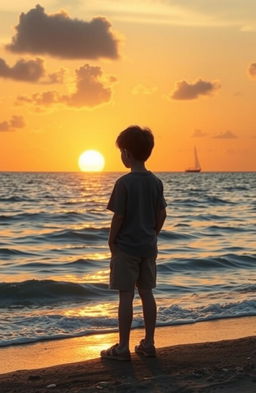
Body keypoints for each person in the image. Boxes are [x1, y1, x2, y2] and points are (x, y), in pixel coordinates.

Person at [101, 125, 167, 361]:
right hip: (148, 247)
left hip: (126, 248)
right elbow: (162, 214)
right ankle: (149, 343)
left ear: (126, 153)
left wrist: (112, 241)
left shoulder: (124, 183)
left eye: (121, 152)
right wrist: (153, 234)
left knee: (126, 295)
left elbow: (118, 216)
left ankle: (122, 347)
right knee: (147, 292)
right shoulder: (155, 182)